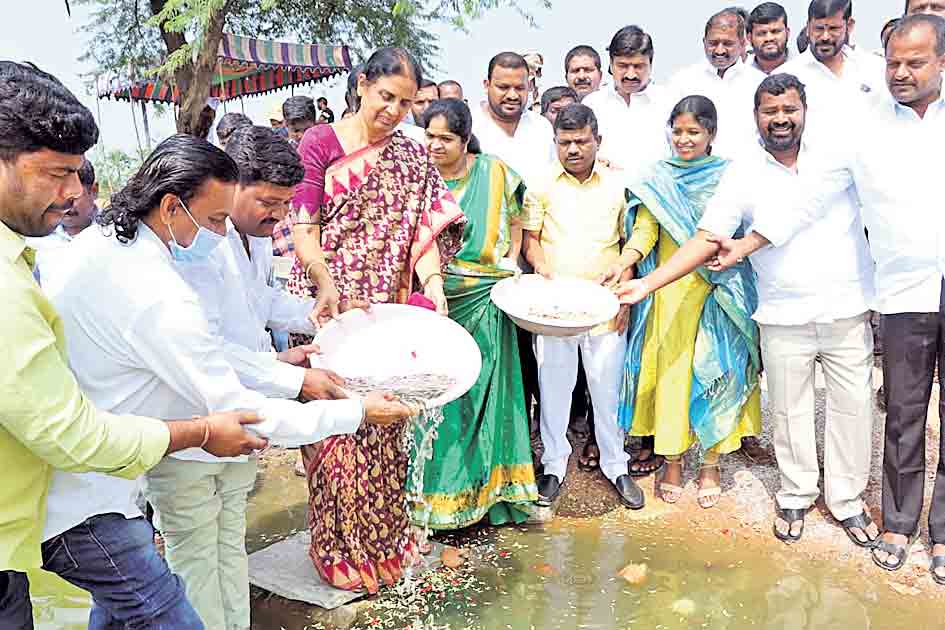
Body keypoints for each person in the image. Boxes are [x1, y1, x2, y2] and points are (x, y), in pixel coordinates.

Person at [47, 133, 411, 629]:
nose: (219, 236)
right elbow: (233, 398)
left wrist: (289, 370)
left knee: (127, 604)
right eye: (215, 219)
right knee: (172, 601)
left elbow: (220, 343)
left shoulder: (109, 246)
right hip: (91, 490)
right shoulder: (153, 290)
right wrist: (356, 411)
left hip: (105, 462)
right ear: (172, 206)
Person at [0, 60, 266, 630]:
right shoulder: (30, 281)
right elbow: (70, 434)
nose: (74, 192)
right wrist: (199, 432)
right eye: (55, 173)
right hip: (79, 500)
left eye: (77, 174)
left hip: (67, 504)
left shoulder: (42, 260)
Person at [705, 14, 945, 581]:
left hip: (865, 296)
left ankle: (941, 532)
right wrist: (747, 245)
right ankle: (895, 523)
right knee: (904, 414)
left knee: (871, 407)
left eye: (915, 63)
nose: (901, 73)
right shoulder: (862, 127)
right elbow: (808, 198)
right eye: (893, 63)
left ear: (942, 62)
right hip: (905, 292)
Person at [616, 74, 878, 546]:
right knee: (791, 410)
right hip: (780, 309)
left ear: (805, 110)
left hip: (846, 304)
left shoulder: (837, 155)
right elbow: (707, 235)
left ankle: (848, 502)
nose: (780, 119)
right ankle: (796, 495)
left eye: (789, 110)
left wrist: (747, 245)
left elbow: (805, 207)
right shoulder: (744, 173)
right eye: (769, 112)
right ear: (755, 117)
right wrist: (646, 284)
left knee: (853, 408)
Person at [281, 47, 465, 594]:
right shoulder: (320, 144)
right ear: (362, 85)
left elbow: (423, 233)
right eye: (387, 97)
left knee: (384, 436)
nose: (395, 112)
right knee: (335, 436)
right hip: (326, 312)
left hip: (386, 316)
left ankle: (386, 545)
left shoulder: (411, 157)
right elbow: (303, 224)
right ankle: (337, 550)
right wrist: (323, 277)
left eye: (406, 104)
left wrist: (432, 286)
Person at [606, 95, 762, 509]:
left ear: (711, 134)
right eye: (677, 131)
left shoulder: (730, 175)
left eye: (693, 131)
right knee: (674, 375)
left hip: (722, 288)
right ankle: (672, 460)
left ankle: (710, 462)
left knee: (720, 369)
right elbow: (646, 232)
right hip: (670, 292)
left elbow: (745, 229)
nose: (684, 139)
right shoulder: (658, 176)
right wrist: (627, 259)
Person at [415, 98, 538, 529]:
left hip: (487, 298)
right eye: (429, 136)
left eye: (445, 138)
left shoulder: (495, 171)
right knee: (441, 401)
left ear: (465, 139)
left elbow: (525, 214)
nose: (434, 145)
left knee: (489, 398)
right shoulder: (417, 178)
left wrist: (514, 260)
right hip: (434, 303)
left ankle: (494, 497)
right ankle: (438, 502)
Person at [522, 103, 643, 510]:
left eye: (581, 141)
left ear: (597, 141)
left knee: (607, 392)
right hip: (555, 308)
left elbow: (629, 244)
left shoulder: (618, 184)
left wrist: (624, 290)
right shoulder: (540, 184)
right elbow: (531, 239)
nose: (572, 149)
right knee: (553, 392)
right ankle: (554, 465)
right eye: (564, 142)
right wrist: (541, 270)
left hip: (605, 305)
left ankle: (616, 465)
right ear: (554, 142)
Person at [667, 8, 766, 157]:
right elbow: (669, 130)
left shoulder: (759, 83)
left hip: (747, 171)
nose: (719, 50)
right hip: (694, 173)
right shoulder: (683, 81)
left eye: (727, 43)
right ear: (704, 42)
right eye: (713, 43)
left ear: (743, 43)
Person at [780, 0, 885, 138]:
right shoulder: (786, 76)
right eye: (818, 28)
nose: (825, 37)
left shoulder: (874, 68)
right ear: (807, 27)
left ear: (849, 25)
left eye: (834, 29)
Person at [584, 25, 669, 180]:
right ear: (611, 64)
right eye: (622, 66)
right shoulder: (592, 105)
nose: (631, 74)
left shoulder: (669, 102)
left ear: (651, 64)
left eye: (638, 66)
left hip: (657, 199)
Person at [471, 51, 555, 189]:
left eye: (519, 88)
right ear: (487, 85)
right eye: (503, 87)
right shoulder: (470, 126)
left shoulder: (542, 127)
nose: (512, 95)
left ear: (529, 86)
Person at [25, 157, 97, 281]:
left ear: (94, 191)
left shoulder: (117, 231)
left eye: (73, 197)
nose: (63, 206)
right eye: (54, 197)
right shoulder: (35, 241)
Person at [748, 3, 793, 74]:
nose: (769, 38)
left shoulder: (805, 70)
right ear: (749, 38)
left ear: (787, 33)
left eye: (775, 31)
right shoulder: (739, 76)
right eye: (761, 33)